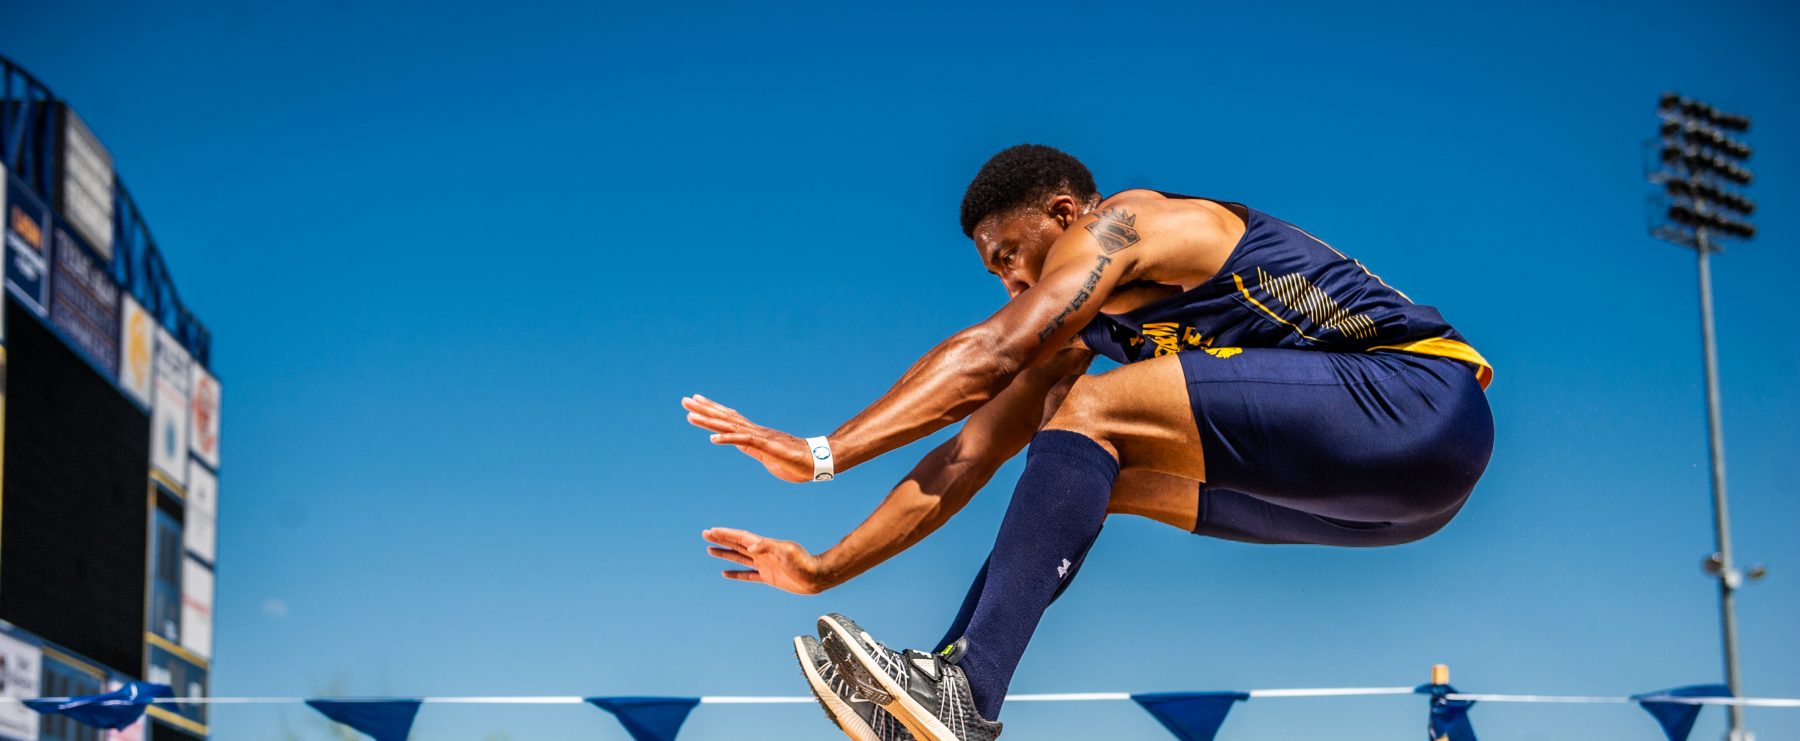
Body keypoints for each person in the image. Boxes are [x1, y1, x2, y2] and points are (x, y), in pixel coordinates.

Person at [683, 144, 1494, 741]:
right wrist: (822, 569)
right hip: (1401, 506)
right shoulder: (1087, 339)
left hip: (1421, 403)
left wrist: (823, 453)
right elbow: (960, 460)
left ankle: (966, 689)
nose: (1010, 282)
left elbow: (991, 349)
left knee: (1092, 408)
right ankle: (933, 698)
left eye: (1011, 257)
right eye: (996, 273)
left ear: (1066, 217)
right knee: (1081, 463)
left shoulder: (1131, 226)